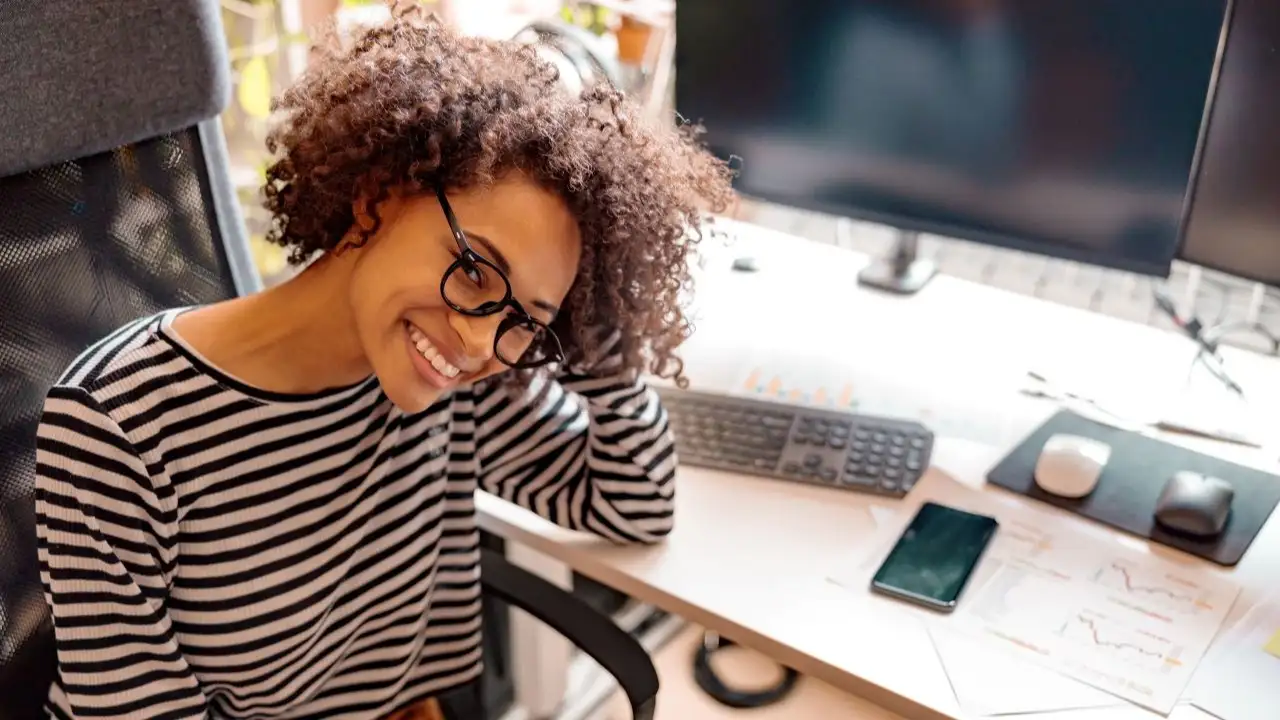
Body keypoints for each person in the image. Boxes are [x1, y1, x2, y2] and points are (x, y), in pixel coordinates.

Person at [32, 4, 733, 719]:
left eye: (525, 322)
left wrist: (596, 327)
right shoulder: (118, 424)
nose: (481, 342)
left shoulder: (456, 382)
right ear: (377, 194)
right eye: (474, 270)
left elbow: (634, 501)